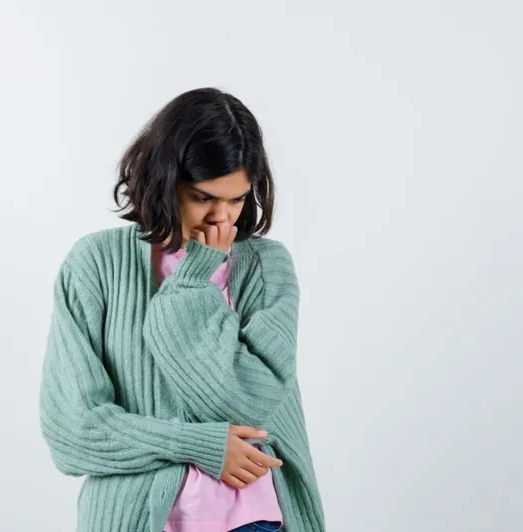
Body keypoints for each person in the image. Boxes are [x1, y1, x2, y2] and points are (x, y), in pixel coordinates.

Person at [39, 87, 325, 532]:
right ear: (164, 181)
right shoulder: (95, 264)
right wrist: (198, 444)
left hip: (251, 522)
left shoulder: (267, 267)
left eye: (236, 199)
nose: (222, 219)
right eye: (204, 197)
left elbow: (248, 404)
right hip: (134, 521)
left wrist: (191, 283)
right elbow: (73, 430)